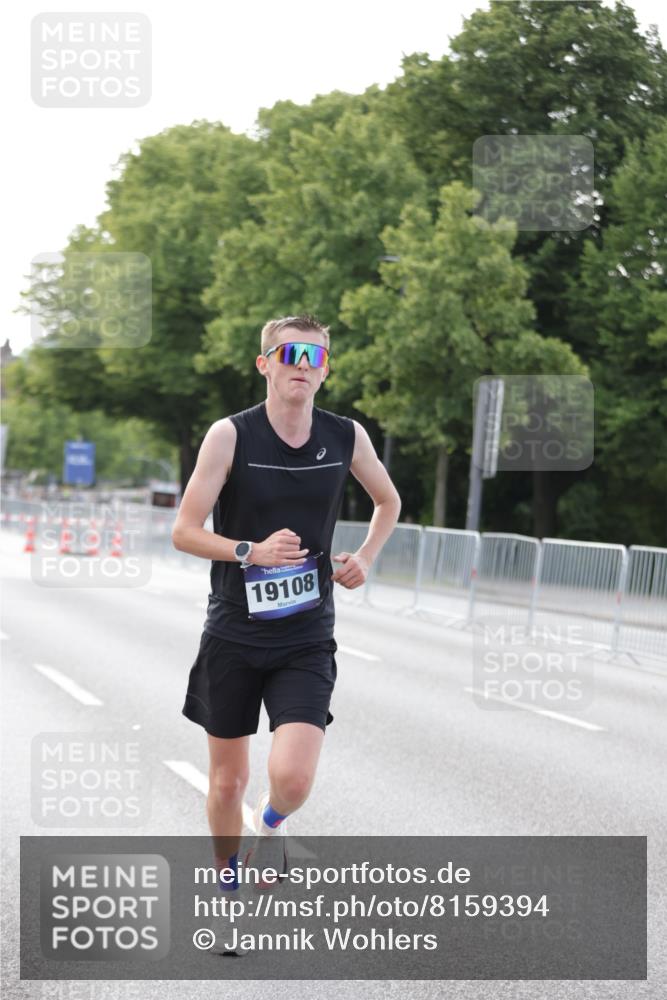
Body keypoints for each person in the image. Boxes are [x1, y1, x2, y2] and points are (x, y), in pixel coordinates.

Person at [172, 314, 401, 954]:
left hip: (306, 635)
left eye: (315, 356)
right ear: (265, 364)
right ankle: (226, 892)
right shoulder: (230, 435)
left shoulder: (345, 435)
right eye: (290, 353)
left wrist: (365, 557)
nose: (303, 365)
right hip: (233, 633)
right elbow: (185, 530)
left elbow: (388, 501)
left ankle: (270, 825)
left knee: (293, 780)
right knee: (226, 784)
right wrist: (249, 550)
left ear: (325, 369)